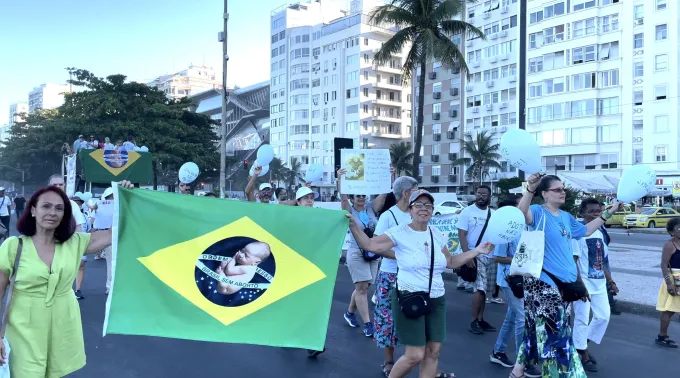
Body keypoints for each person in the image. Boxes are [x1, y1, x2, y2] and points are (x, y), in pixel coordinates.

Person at [347, 189, 494, 378]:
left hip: (436, 299)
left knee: (433, 352)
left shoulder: (437, 234)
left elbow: (450, 262)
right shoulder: (399, 232)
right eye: (418, 205)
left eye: (428, 206)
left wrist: (477, 251)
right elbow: (369, 245)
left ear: (432, 210)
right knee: (415, 355)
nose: (423, 209)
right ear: (410, 209)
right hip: (410, 297)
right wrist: (353, 225)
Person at [0, 181, 134, 376]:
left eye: (59, 208)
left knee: (55, 372)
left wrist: (126, 198)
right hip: (23, 328)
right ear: (33, 211)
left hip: (62, 324)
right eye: (46, 206)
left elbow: (115, 234)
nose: (52, 212)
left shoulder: (74, 243)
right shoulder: (14, 246)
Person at [510, 174, 621, 378]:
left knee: (536, 328)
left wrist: (608, 213)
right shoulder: (537, 212)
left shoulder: (566, 216)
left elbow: (586, 231)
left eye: (563, 189)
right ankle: (565, 374)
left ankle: (518, 370)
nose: (563, 192)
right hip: (543, 284)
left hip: (563, 285)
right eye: (557, 189)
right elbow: (520, 214)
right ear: (544, 194)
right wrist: (529, 190)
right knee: (557, 334)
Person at [372, 176, 418, 377]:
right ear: (406, 193)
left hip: (415, 276)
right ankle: (389, 361)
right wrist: (400, 256)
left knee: (415, 317)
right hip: (390, 275)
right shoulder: (388, 216)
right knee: (387, 320)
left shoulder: (416, 214)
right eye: (416, 190)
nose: (419, 193)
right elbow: (375, 246)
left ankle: (416, 359)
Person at [490, 197, 540, 377]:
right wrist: (520, 260)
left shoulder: (526, 227)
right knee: (522, 319)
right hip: (510, 281)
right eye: (521, 204)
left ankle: (498, 351)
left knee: (512, 317)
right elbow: (497, 257)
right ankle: (523, 362)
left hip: (525, 279)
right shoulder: (506, 230)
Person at [337, 167, 387, 338]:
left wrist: (390, 174)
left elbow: (384, 193)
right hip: (356, 252)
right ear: (352, 197)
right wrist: (340, 179)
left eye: (363, 195)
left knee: (365, 286)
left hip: (373, 252)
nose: (361, 197)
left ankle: (350, 312)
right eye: (358, 195)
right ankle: (367, 323)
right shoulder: (349, 210)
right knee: (362, 289)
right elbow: (343, 197)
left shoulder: (371, 208)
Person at [572, 198, 617, 372]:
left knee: (603, 317)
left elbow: (602, 261)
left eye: (598, 211)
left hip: (599, 285)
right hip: (584, 284)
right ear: (582, 213)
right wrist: (580, 286)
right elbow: (573, 261)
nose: (596, 214)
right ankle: (583, 354)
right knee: (582, 320)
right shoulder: (579, 233)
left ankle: (579, 344)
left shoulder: (600, 232)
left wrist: (611, 281)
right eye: (591, 211)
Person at [458, 185, 497, 335]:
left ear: (489, 196)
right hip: (475, 254)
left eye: (484, 194)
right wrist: (467, 255)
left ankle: (481, 319)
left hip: (491, 256)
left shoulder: (493, 214)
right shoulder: (467, 212)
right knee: (479, 289)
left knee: (486, 291)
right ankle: (473, 321)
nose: (481, 196)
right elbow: (462, 235)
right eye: (478, 193)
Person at [48, 174, 88, 299]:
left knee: (68, 272)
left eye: (60, 184)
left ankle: (74, 292)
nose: (58, 187)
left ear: (64, 186)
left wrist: (77, 248)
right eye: (55, 184)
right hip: (47, 247)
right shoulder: (41, 203)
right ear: (49, 186)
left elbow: (79, 227)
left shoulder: (72, 205)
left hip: (67, 245)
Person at [656, 217, 680, 348]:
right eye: (679, 228)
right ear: (671, 232)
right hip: (675, 279)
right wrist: (669, 284)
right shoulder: (670, 245)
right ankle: (662, 336)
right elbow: (664, 265)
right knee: (669, 310)